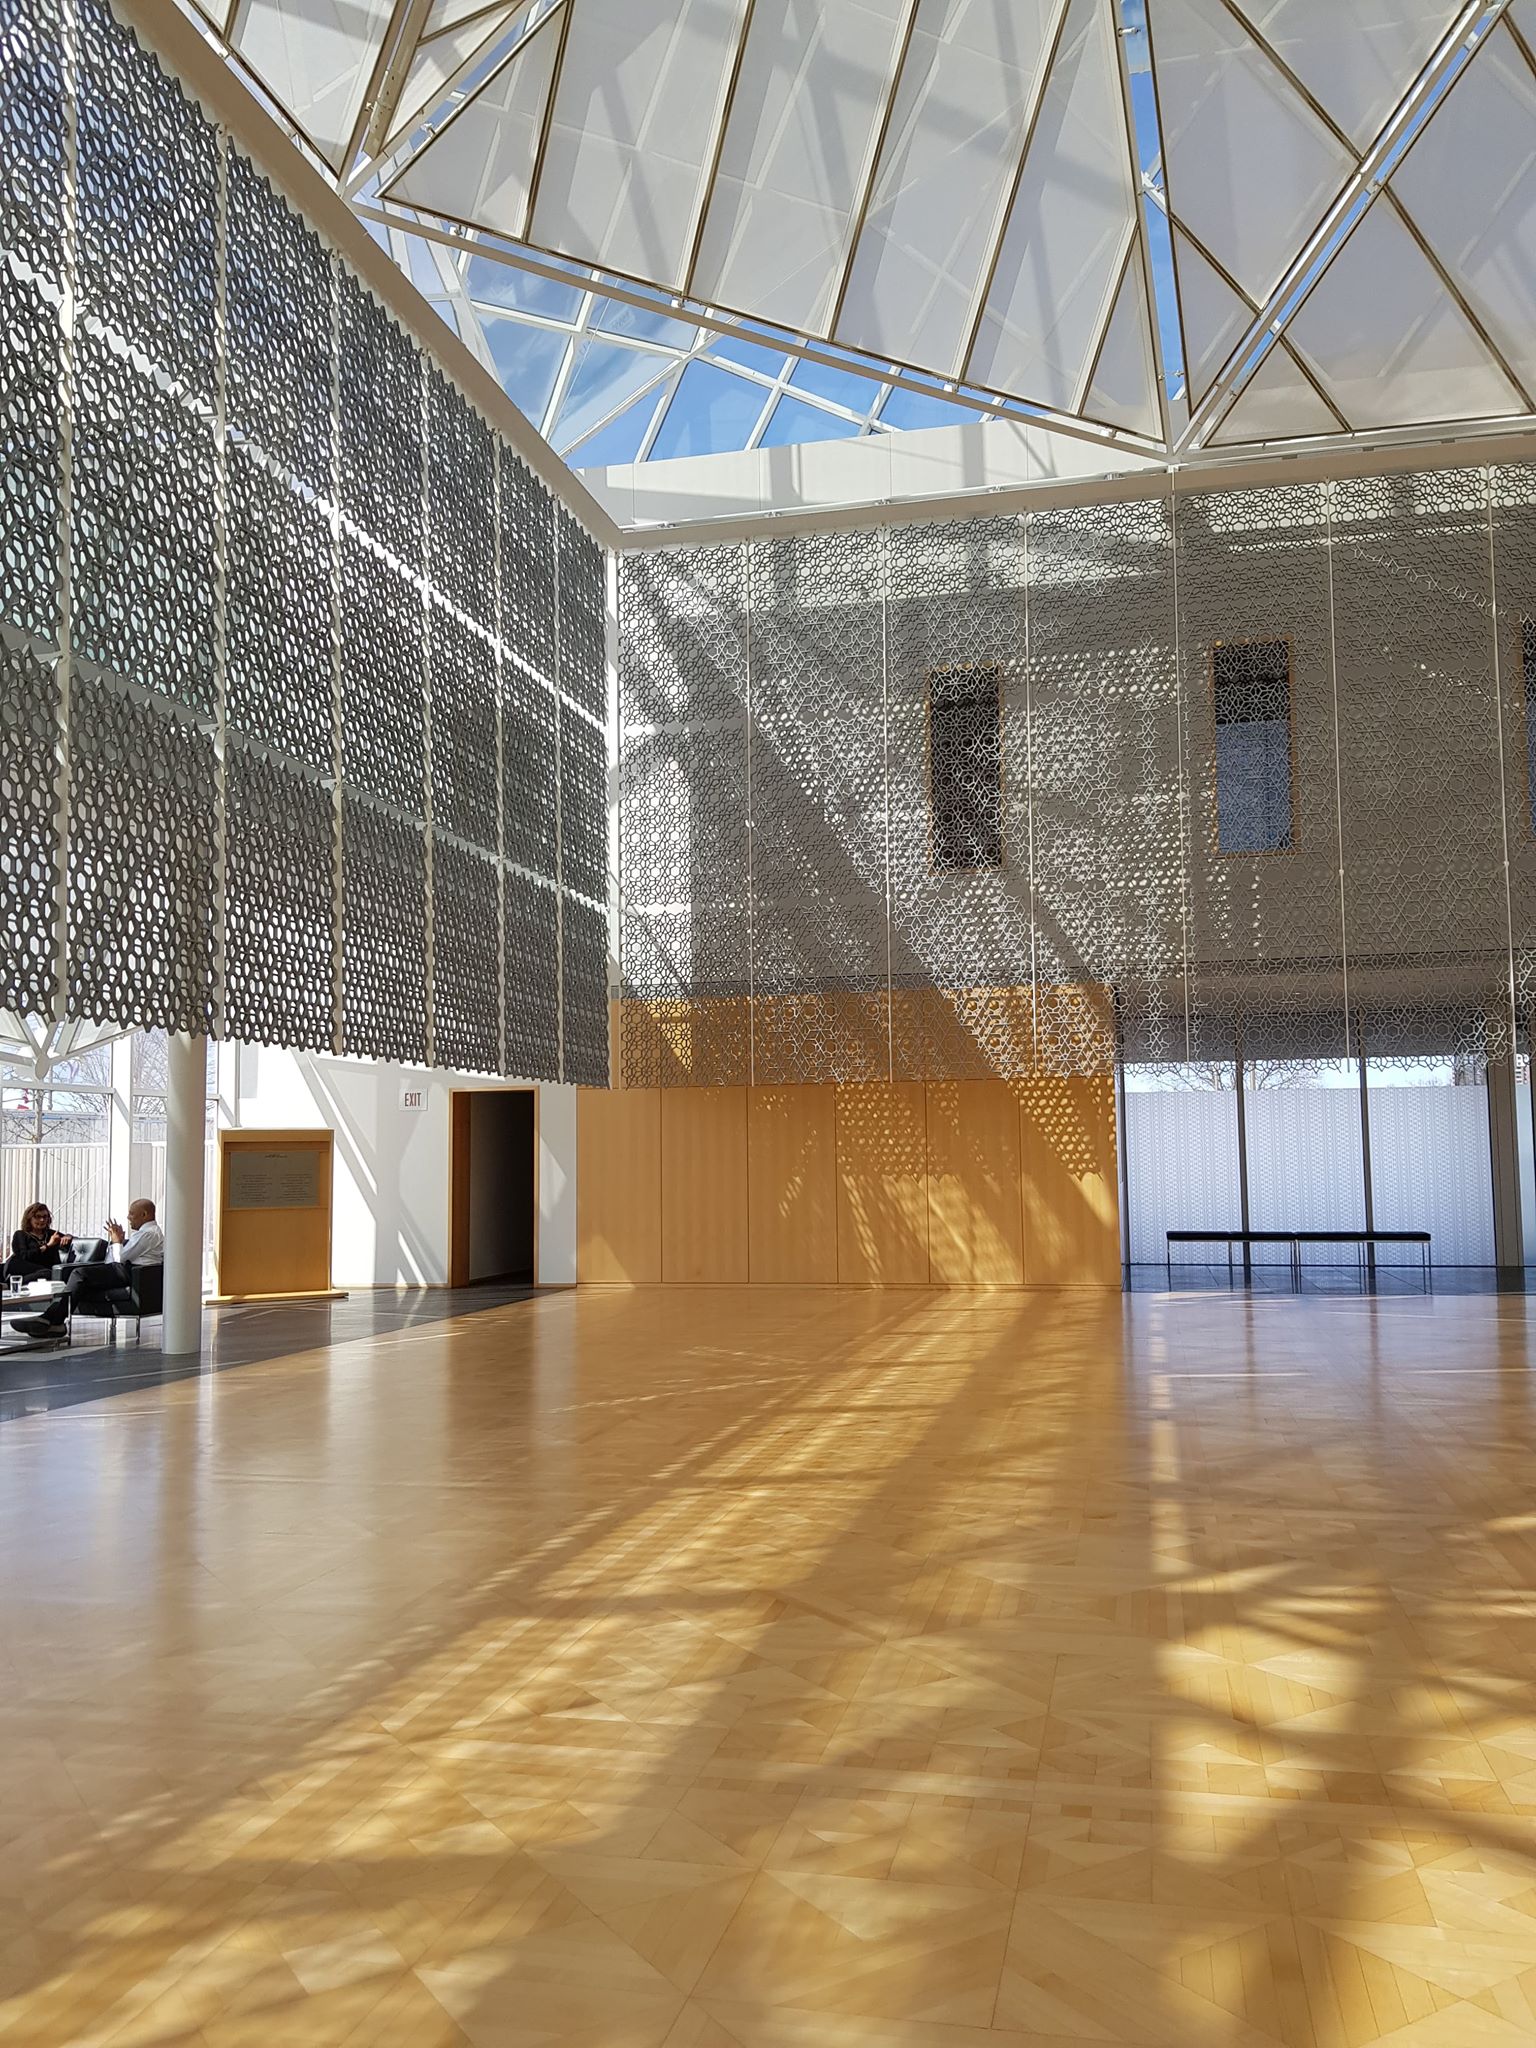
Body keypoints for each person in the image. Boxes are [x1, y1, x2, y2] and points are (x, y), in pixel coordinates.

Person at [12, 1197, 163, 1339]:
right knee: (80, 1277)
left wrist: (117, 1242)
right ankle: (54, 1322)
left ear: (144, 1214)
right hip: (121, 1268)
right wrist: (116, 1242)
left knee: (80, 1274)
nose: (128, 1217)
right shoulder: (142, 1234)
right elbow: (110, 1260)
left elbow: (119, 1258)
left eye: (131, 1214)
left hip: (132, 1272)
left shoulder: (149, 1234)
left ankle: (52, 1319)